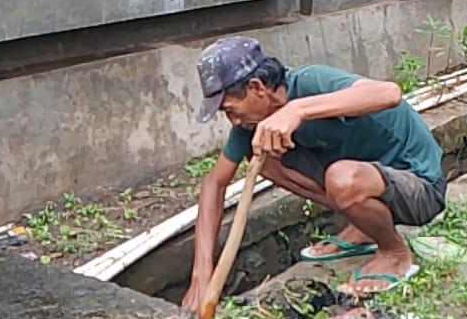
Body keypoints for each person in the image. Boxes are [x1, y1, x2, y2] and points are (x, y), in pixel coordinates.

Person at [181, 36, 446, 302]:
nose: (233, 120)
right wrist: (201, 275)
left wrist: (298, 110)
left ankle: (394, 253)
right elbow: (215, 183)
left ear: (256, 87)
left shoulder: (311, 81)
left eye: (230, 109)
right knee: (262, 156)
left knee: (342, 179)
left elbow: (389, 93)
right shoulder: (250, 125)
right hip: (369, 179)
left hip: (419, 186)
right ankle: (364, 224)